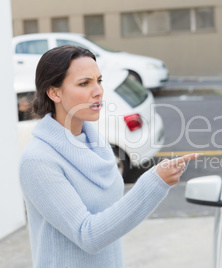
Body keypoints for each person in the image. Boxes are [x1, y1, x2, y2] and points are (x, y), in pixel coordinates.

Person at [19, 45, 198, 267]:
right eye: (84, 83)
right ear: (54, 92)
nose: (98, 91)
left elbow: (112, 218)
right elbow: (88, 235)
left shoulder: (97, 143)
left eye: (99, 80)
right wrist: (154, 183)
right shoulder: (38, 160)